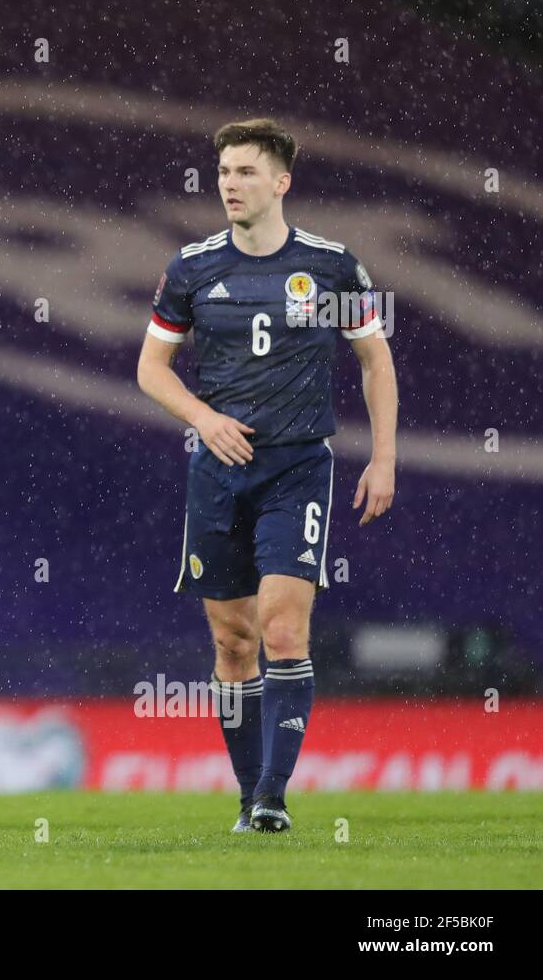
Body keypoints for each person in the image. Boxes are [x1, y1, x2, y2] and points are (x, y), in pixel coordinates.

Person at [136, 118, 398, 833]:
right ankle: (249, 793)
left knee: (283, 628)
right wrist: (204, 418)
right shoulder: (192, 268)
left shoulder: (333, 266)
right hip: (216, 469)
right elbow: (150, 368)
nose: (230, 183)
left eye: (246, 172)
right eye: (223, 171)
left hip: (297, 465)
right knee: (231, 642)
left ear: (281, 182)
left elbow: (375, 359)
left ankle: (272, 797)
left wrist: (383, 456)